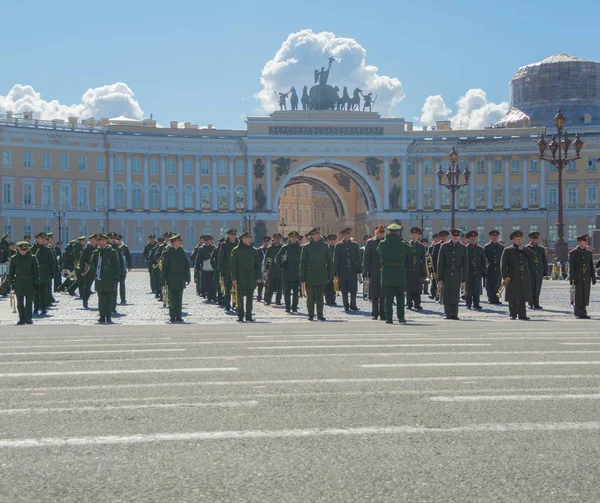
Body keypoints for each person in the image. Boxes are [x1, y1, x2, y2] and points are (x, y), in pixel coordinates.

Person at [377, 223, 413, 324]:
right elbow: (410, 249)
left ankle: (389, 318)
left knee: (388, 298)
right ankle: (401, 318)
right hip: (399, 272)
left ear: (388, 232)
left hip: (387, 272)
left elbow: (379, 251)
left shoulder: (383, 243)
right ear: (398, 232)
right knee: (400, 297)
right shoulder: (402, 243)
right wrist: (401, 240)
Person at [300, 227, 334, 321]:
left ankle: (320, 314)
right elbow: (302, 262)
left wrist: (330, 274)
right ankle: (311, 314)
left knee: (320, 297)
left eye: (318, 234)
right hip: (310, 275)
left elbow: (330, 261)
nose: (318, 235)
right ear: (312, 236)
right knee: (310, 297)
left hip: (322, 274)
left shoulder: (324, 246)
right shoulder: (306, 247)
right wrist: (302, 275)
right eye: (316, 234)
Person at [500, 230, 536, 320]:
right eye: (517, 239)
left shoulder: (523, 249)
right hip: (512, 276)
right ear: (513, 240)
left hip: (523, 276)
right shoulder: (508, 250)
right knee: (513, 296)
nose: (519, 240)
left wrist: (524, 249)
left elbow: (533, 256)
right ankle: (513, 314)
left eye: (520, 238)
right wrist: (506, 277)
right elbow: (503, 266)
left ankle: (522, 314)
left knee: (522, 296)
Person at [230, 231, 261, 322]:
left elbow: (257, 266)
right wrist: (234, 278)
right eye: (247, 238)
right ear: (242, 239)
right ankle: (240, 315)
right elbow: (233, 266)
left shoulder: (253, 250)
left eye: (249, 238)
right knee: (239, 299)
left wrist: (258, 277)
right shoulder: (236, 250)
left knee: (250, 299)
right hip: (240, 278)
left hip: (250, 278)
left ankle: (249, 316)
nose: (249, 240)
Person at [437, 229, 468, 320]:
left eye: (457, 236)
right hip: (446, 271)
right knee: (446, 293)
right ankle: (447, 313)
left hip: (457, 272)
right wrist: (440, 276)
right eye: (454, 236)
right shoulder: (444, 246)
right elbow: (440, 262)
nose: (455, 238)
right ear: (451, 236)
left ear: (459, 237)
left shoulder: (463, 247)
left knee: (455, 293)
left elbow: (465, 263)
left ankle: (454, 314)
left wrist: (464, 277)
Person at [89, 233, 121, 324]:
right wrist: (94, 269)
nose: (99, 243)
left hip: (109, 279)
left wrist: (116, 278)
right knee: (101, 298)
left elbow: (116, 266)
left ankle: (108, 316)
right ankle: (102, 315)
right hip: (100, 279)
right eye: (98, 241)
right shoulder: (96, 252)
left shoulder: (112, 251)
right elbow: (92, 263)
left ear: (105, 241)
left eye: (101, 241)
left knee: (109, 299)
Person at [161, 234, 191, 323]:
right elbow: (164, 268)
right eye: (179, 241)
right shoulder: (167, 252)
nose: (181, 242)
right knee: (172, 298)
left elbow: (186, 266)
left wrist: (188, 278)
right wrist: (163, 280)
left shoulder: (182, 252)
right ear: (174, 242)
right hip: (171, 279)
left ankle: (178, 316)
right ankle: (172, 316)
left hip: (180, 278)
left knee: (179, 298)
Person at [9, 241, 40, 325]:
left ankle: (29, 318)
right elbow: (11, 272)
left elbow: (36, 271)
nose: (23, 251)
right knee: (20, 303)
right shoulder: (14, 258)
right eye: (21, 250)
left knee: (29, 302)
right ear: (18, 249)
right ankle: (21, 318)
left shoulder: (32, 258)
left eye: (25, 249)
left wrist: (37, 282)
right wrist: (11, 283)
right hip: (19, 282)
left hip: (29, 282)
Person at [334, 228, 362, 312]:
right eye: (346, 235)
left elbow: (358, 258)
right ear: (343, 236)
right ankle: (346, 305)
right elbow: (335, 259)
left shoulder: (355, 245)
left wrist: (359, 269)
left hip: (352, 270)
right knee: (344, 289)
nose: (348, 236)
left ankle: (353, 305)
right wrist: (335, 271)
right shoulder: (338, 245)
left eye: (349, 235)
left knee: (353, 289)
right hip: (343, 270)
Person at [569, 234, 596, 319]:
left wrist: (593, 277)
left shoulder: (588, 252)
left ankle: (584, 312)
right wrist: (572, 279)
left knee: (585, 294)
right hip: (578, 277)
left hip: (586, 277)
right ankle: (577, 312)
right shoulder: (573, 252)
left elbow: (591, 265)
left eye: (586, 241)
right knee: (578, 295)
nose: (586, 242)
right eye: (584, 241)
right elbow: (572, 267)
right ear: (579, 242)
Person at [276, 230, 302, 313]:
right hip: (287, 272)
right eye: (292, 237)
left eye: (295, 237)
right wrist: (282, 265)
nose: (294, 239)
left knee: (295, 292)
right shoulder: (285, 248)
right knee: (286, 292)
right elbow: (277, 258)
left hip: (296, 273)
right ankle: (287, 307)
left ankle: (294, 307)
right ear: (289, 238)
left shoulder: (300, 248)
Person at [363, 225, 386, 320]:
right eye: (380, 232)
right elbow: (366, 258)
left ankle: (383, 313)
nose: (381, 234)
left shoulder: (386, 242)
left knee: (383, 294)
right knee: (374, 293)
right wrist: (366, 271)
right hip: (374, 270)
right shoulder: (370, 242)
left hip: (384, 270)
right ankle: (375, 312)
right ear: (376, 233)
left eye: (382, 232)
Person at [31, 232, 55, 316]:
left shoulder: (47, 249)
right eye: (41, 239)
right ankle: (36, 307)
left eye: (43, 239)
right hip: (35, 275)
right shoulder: (32, 249)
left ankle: (43, 307)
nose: (42, 240)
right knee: (35, 292)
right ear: (37, 239)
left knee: (44, 292)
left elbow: (52, 262)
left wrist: (52, 273)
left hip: (45, 274)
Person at [405, 226, 427, 311]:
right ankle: (409, 303)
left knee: (418, 288)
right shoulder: (407, 245)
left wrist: (424, 272)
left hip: (418, 270)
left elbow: (423, 260)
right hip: (409, 269)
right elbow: (405, 259)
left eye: (416, 235)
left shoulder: (421, 247)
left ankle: (417, 304)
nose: (414, 236)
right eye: (413, 235)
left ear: (419, 237)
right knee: (409, 288)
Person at [525, 232, 548, 310]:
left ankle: (536, 303)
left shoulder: (541, 249)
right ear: (530, 239)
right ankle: (530, 303)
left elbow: (544, 260)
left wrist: (545, 271)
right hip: (530, 271)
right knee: (530, 287)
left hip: (538, 271)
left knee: (537, 287)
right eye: (533, 238)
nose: (535, 240)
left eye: (536, 238)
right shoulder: (526, 248)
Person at [218, 229, 239, 313]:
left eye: (234, 235)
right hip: (227, 271)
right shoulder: (224, 245)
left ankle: (235, 304)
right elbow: (221, 259)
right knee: (227, 289)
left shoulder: (239, 244)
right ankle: (227, 305)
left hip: (237, 271)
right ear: (229, 236)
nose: (233, 236)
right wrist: (221, 270)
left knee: (236, 289)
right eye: (232, 235)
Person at [465, 230, 485, 310]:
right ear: (469, 239)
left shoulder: (480, 249)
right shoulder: (465, 248)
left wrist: (484, 271)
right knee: (468, 288)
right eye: (472, 238)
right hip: (468, 271)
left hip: (477, 271)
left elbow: (483, 260)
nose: (473, 239)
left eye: (475, 237)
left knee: (477, 288)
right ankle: (468, 303)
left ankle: (476, 303)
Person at [484, 230, 504, 305]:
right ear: (490, 237)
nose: (494, 238)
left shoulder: (501, 247)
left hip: (498, 268)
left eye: (496, 236)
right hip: (490, 268)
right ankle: (491, 298)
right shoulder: (487, 247)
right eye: (493, 236)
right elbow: (484, 258)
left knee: (498, 283)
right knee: (490, 284)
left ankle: (497, 298)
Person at [195, 235, 217, 303]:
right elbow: (198, 258)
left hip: (213, 267)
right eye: (206, 241)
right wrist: (197, 266)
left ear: (211, 241)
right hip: (205, 267)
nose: (207, 242)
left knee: (213, 282)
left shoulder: (214, 248)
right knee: (206, 282)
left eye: (209, 241)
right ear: (204, 241)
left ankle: (214, 295)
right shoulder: (201, 249)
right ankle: (208, 295)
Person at [264, 233, 284, 306]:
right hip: (272, 270)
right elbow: (268, 259)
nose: (277, 240)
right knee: (270, 287)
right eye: (276, 238)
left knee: (280, 287)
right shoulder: (270, 248)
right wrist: (267, 269)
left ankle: (278, 301)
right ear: (273, 239)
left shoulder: (283, 248)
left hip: (280, 270)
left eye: (279, 238)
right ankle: (268, 300)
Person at [78, 234, 98, 309]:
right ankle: (85, 301)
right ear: (91, 240)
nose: (96, 241)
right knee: (87, 287)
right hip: (89, 271)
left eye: (97, 239)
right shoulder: (86, 249)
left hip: (97, 271)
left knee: (99, 287)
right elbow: (82, 261)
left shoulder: (98, 248)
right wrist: (82, 271)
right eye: (94, 239)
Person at [107, 232, 124, 314]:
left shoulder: (118, 248)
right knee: (106, 291)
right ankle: (106, 307)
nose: (113, 240)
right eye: (111, 238)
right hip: (106, 273)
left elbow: (121, 260)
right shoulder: (105, 247)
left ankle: (113, 307)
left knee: (114, 290)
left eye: (114, 238)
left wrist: (121, 271)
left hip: (114, 273)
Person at [431, 231, 448, 301]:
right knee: (438, 283)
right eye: (442, 236)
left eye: (445, 236)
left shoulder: (449, 244)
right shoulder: (437, 245)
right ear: (440, 237)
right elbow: (433, 258)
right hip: (438, 268)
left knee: (447, 284)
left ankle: (445, 296)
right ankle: (437, 296)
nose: (444, 238)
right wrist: (434, 269)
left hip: (447, 268)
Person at [117, 235, 132, 305]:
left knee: (122, 284)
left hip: (123, 268)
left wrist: (129, 266)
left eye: (119, 240)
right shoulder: (113, 247)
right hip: (115, 269)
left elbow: (128, 257)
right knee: (114, 285)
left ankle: (123, 299)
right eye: (117, 240)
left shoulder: (125, 247)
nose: (118, 241)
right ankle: (113, 299)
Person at [256, 236, 271, 302]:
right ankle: (259, 295)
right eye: (265, 241)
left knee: (267, 283)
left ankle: (266, 297)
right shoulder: (259, 250)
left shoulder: (270, 249)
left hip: (268, 268)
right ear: (263, 242)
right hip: (260, 268)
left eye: (267, 242)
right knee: (260, 283)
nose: (266, 243)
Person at [324, 234, 338, 306]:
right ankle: (327, 300)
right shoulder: (326, 248)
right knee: (327, 286)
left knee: (334, 286)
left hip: (334, 270)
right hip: (327, 270)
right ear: (328, 241)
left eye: (333, 240)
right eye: (331, 240)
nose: (332, 242)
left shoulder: (337, 248)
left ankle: (333, 300)